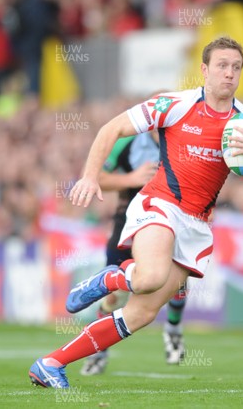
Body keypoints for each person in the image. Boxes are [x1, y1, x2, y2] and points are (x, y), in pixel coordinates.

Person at [29, 36, 243, 388]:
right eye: (222, 66)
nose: (230, 74)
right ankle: (109, 279)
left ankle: (50, 363)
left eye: (236, 67)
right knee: (148, 277)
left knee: (142, 313)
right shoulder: (175, 104)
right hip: (158, 204)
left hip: (197, 225)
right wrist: (89, 176)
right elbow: (111, 128)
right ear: (204, 70)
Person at [78, 130, 190, 376]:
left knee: (177, 279)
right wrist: (131, 179)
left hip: (171, 222)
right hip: (129, 219)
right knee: (115, 297)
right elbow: (95, 178)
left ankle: (173, 329)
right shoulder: (127, 143)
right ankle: (99, 351)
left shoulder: (187, 140)